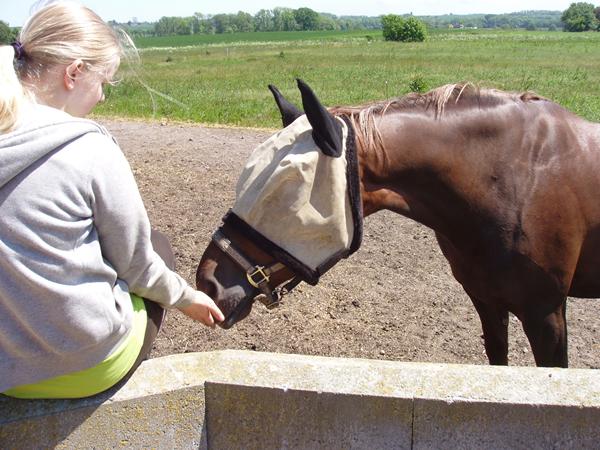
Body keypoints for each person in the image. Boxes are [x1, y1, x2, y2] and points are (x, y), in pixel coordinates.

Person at [0, 1, 224, 399]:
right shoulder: (87, 146)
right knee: (158, 247)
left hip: (5, 376)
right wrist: (188, 299)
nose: (103, 97)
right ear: (73, 73)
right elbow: (138, 269)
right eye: (104, 82)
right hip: (86, 367)